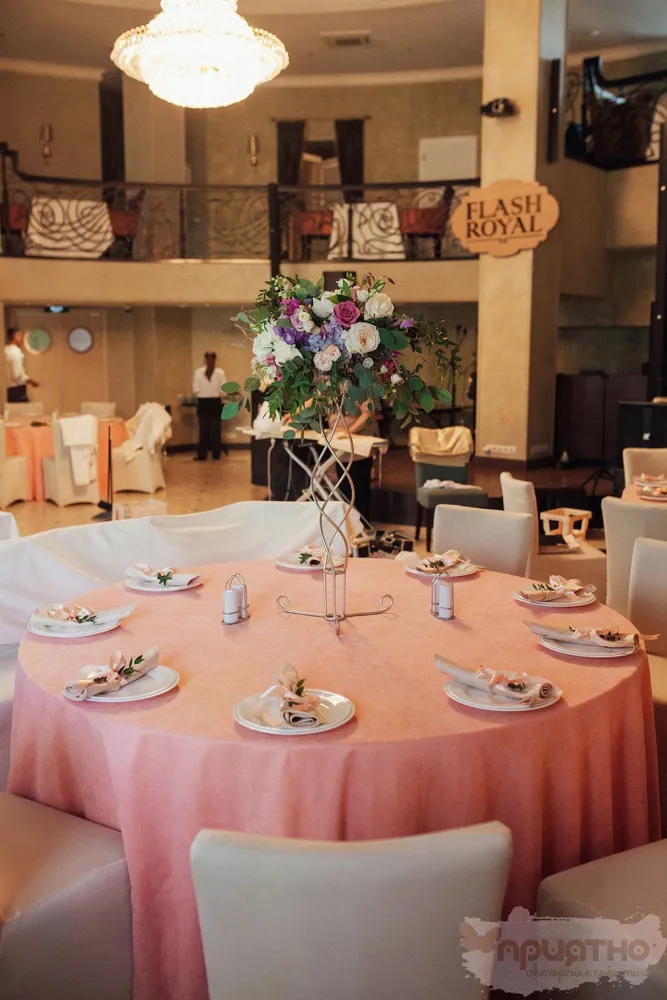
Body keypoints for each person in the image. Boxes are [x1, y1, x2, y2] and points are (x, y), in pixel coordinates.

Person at [193, 351, 226, 461]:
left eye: (212, 359)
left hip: (215, 401)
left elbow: (224, 389)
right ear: (205, 360)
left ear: (215, 360)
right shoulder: (198, 372)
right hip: (202, 401)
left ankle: (216, 454)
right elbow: (195, 389)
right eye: (208, 359)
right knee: (203, 428)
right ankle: (202, 454)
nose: (210, 361)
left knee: (216, 429)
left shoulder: (220, 373)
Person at [5, 327, 39, 403]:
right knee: (23, 408)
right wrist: (30, 380)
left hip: (6, 387)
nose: (22, 339)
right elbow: (17, 374)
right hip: (16, 388)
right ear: (16, 337)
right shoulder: (16, 352)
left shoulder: (5, 350)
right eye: (20, 336)